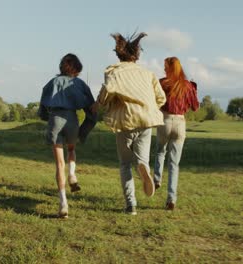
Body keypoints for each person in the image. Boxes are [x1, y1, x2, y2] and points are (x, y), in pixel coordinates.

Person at [93, 32, 166, 215]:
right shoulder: (148, 74)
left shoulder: (114, 72)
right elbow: (161, 98)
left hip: (125, 120)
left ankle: (130, 205)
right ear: (137, 55)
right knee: (142, 158)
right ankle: (143, 167)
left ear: (119, 54)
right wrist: (149, 107)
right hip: (146, 120)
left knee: (125, 164)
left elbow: (108, 90)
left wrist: (100, 102)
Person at [39, 53, 96, 218]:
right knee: (71, 149)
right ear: (77, 68)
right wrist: (83, 131)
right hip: (72, 120)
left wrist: (45, 117)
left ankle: (63, 203)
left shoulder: (52, 82)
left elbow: (43, 105)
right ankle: (72, 174)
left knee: (59, 164)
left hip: (55, 120)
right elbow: (91, 110)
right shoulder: (80, 84)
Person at [153, 57, 199, 210]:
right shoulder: (188, 86)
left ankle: (157, 179)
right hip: (180, 123)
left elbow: (155, 101)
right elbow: (195, 107)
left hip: (165, 120)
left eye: (165, 67)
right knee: (174, 164)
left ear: (170, 69)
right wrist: (194, 89)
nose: (164, 69)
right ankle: (171, 199)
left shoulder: (162, 83)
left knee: (160, 151)